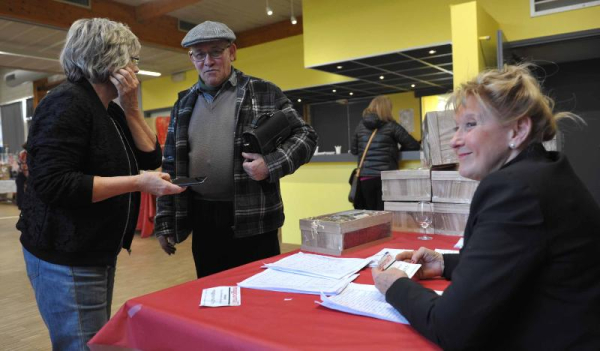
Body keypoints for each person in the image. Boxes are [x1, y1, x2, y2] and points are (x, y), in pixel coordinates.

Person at [372, 64, 600, 350]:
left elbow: (451, 328)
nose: (455, 141)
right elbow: (519, 261)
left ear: (517, 130)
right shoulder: (543, 171)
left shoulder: (514, 189)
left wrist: (394, 285)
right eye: (457, 127)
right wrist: (444, 263)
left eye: (470, 125)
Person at [17, 18, 184, 350]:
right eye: (133, 59)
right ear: (111, 60)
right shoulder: (66, 102)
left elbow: (150, 158)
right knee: (82, 343)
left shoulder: (110, 109)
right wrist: (138, 183)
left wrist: (133, 107)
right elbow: (55, 184)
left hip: (95, 250)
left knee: (91, 339)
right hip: (66, 254)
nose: (136, 67)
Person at [154, 21, 317, 278]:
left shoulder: (264, 92)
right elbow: (171, 165)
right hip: (203, 219)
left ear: (232, 52)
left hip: (254, 217)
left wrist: (270, 164)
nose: (208, 61)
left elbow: (306, 136)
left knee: (259, 298)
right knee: (212, 293)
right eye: (200, 54)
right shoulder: (183, 103)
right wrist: (165, 221)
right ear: (191, 58)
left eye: (216, 51)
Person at [350, 95, 420, 210]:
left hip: (365, 178)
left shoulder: (360, 126)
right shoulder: (392, 126)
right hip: (386, 178)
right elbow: (414, 145)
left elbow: (354, 150)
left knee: (368, 216)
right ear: (387, 109)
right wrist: (397, 151)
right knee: (385, 215)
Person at [15, 144, 28, 209]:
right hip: (23, 172)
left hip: (28, 172)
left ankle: (23, 203)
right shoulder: (22, 153)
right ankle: (20, 203)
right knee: (19, 186)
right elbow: (19, 162)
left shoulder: (30, 153)